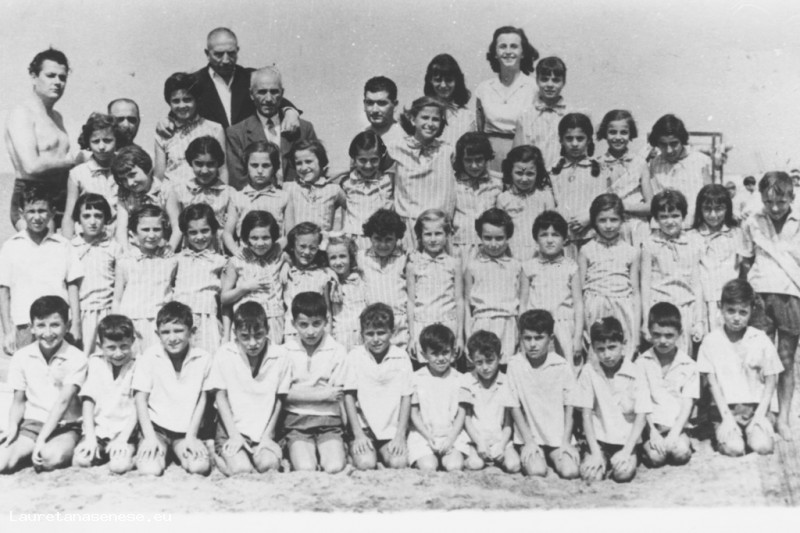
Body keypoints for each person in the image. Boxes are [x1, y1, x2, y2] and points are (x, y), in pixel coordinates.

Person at [739, 171, 800, 440]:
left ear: (792, 198)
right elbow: (745, 260)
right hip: (760, 296)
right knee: (758, 358)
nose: (774, 208)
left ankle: (783, 418)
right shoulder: (752, 221)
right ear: (761, 198)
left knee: (786, 360)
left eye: (781, 202)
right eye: (768, 202)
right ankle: (759, 415)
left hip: (791, 295)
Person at [0, 296, 86, 474]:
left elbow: (62, 402)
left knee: (49, 458)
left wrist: (42, 439)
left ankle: (49, 447)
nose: (48, 333)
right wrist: (13, 427)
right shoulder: (22, 356)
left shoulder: (77, 357)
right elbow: (18, 401)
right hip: (33, 424)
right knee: (2, 462)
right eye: (40, 325)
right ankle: (27, 450)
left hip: (65, 425)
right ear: (31, 327)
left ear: (67, 326)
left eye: (55, 325)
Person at [698, 279, 781, 455]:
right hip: (725, 409)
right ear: (721, 307)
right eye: (731, 311)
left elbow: (771, 381)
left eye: (743, 312)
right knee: (734, 448)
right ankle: (729, 434)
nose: (736, 318)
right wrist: (727, 419)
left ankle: (755, 431)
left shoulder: (760, 339)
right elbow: (713, 385)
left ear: (752, 311)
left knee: (763, 447)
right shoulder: (711, 341)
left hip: (755, 408)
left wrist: (759, 416)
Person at [132, 301, 213, 476]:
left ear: (191, 331)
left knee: (198, 467)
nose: (172, 338)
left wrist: (192, 436)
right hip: (156, 429)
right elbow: (140, 399)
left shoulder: (203, 359)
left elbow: (202, 399)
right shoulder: (150, 356)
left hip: (185, 431)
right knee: (150, 469)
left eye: (178, 330)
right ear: (157, 334)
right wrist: (149, 437)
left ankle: (183, 449)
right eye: (166, 332)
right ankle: (154, 450)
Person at [0, 185, 83, 355]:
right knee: (28, 368)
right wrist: (7, 331)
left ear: (52, 213)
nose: (37, 217)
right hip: (25, 325)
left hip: (58, 323)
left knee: (60, 367)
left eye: (42, 211)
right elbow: (4, 291)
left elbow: (73, 286)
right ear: (22, 213)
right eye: (31, 211)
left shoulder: (63, 245)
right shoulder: (11, 246)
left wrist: (75, 324)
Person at [208, 302, 290, 475]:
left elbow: (279, 399)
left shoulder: (280, 355)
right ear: (235, 333)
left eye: (258, 335)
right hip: (232, 427)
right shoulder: (225, 353)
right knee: (241, 469)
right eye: (245, 336)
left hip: (263, 428)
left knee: (268, 465)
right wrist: (234, 435)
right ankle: (216, 454)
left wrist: (268, 436)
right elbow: (220, 397)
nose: (253, 343)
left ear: (267, 330)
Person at [5, 48, 80, 229]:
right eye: (50, 75)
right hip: (32, 198)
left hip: (61, 197)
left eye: (62, 78)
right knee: (42, 246)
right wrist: (73, 161)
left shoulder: (57, 117)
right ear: (33, 77)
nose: (57, 82)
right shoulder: (22, 113)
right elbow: (31, 166)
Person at [573, 317, 651, 483]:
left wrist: (626, 451)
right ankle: (598, 456)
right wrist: (595, 452)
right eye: (600, 349)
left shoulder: (635, 371)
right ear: (593, 348)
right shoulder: (589, 371)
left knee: (623, 474)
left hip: (626, 440)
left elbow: (641, 417)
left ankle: (633, 454)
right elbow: (586, 415)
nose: (607, 355)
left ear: (623, 344)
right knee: (591, 476)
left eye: (612, 347)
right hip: (599, 439)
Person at [506, 310, 580, 478]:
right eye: (527, 338)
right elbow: (513, 406)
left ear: (551, 339)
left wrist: (566, 441)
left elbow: (570, 406)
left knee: (570, 471)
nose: (532, 344)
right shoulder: (515, 364)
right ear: (521, 338)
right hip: (529, 436)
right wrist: (529, 442)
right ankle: (534, 454)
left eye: (539, 338)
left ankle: (552, 455)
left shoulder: (561, 365)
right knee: (537, 471)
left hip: (557, 437)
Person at [281, 292, 348, 473]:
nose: (310, 331)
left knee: (334, 467)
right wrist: (323, 394)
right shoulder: (285, 351)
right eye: (303, 325)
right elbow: (283, 393)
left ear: (326, 321)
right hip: (296, 421)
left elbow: (337, 394)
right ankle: (291, 450)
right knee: (306, 468)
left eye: (316, 324)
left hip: (329, 421)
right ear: (293, 323)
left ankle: (339, 447)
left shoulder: (337, 350)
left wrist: (298, 393)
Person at [341, 303, 413, 470]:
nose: (375, 339)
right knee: (366, 463)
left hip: (391, 430)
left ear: (392, 332)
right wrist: (358, 435)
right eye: (370, 334)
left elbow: (406, 397)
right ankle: (352, 449)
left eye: (381, 333)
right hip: (364, 428)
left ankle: (380, 452)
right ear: (362, 335)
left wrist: (400, 436)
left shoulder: (401, 357)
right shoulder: (355, 356)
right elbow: (348, 396)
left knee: (398, 463)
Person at [191, 27, 300, 130]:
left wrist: (290, 112)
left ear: (237, 50)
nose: (226, 60)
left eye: (231, 53)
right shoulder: (193, 82)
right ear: (207, 53)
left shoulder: (250, 76)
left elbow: (275, 98)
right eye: (219, 54)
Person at [226, 67, 317, 189]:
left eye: (274, 92)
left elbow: (314, 170)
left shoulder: (304, 129)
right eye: (262, 92)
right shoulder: (236, 133)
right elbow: (238, 180)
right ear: (251, 94)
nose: (268, 99)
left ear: (282, 93)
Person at [386, 96, 456, 251]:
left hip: (438, 227)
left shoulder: (447, 151)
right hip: (408, 226)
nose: (430, 124)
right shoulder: (396, 148)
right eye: (425, 117)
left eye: (435, 119)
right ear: (412, 119)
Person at [641, 190, 704, 357]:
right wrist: (646, 320)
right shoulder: (650, 244)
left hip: (685, 308)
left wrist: (699, 320)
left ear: (683, 216)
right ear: (656, 219)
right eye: (663, 217)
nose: (670, 221)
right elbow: (645, 284)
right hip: (659, 308)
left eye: (675, 216)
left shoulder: (692, 242)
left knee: (683, 356)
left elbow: (696, 283)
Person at [73, 315, 139, 474]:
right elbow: (88, 402)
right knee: (80, 461)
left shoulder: (138, 364)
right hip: (99, 431)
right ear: (100, 345)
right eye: (111, 348)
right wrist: (90, 437)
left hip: (125, 432)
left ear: (133, 341)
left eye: (124, 346)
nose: (118, 353)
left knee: (119, 466)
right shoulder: (95, 362)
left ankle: (133, 456)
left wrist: (122, 439)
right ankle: (103, 451)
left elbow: (139, 405)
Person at [579, 194, 641, 357]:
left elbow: (635, 292)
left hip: (623, 308)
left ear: (622, 220)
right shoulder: (586, 250)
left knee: (623, 354)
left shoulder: (631, 251)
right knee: (598, 355)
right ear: (594, 221)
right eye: (602, 220)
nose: (608, 225)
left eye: (613, 220)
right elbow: (579, 291)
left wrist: (636, 334)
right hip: (595, 307)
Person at [637, 303, 697, 467]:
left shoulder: (688, 365)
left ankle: (683, 440)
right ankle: (645, 447)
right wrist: (652, 432)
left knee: (680, 453)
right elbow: (642, 401)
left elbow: (687, 403)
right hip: (652, 427)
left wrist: (675, 433)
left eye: (669, 335)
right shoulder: (642, 363)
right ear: (649, 332)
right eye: (657, 335)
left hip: (677, 426)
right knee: (656, 458)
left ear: (680, 334)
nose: (662, 341)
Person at [464, 208, 528, 363]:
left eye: (499, 238)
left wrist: (521, 335)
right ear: (480, 236)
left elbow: (522, 305)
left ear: (508, 237)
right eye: (487, 238)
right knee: (483, 366)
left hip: (508, 324)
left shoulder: (516, 266)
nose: (493, 244)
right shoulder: (472, 266)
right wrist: (468, 336)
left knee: (506, 367)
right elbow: (466, 305)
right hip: (481, 323)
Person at [112, 205, 178, 350]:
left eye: (157, 229)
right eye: (145, 229)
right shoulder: (125, 261)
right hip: (130, 323)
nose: (151, 235)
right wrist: (116, 324)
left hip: (160, 324)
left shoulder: (170, 261)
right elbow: (117, 298)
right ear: (133, 233)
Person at [523, 211, 583, 368]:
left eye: (555, 235)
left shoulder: (571, 267)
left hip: (564, 328)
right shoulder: (528, 267)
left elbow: (578, 304)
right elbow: (523, 304)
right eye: (544, 235)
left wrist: (577, 337)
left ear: (564, 239)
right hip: (537, 330)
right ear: (536, 238)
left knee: (565, 369)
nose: (549, 240)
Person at [475, 26, 539, 172]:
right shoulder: (483, 89)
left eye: (514, 46)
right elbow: (480, 130)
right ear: (495, 53)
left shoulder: (534, 88)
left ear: (523, 53)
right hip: (490, 159)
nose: (508, 51)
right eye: (503, 46)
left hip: (523, 159)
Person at [408, 324, 470, 472]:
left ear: (453, 352)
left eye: (445, 352)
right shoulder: (416, 378)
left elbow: (461, 414)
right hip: (424, 435)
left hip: (452, 435)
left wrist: (450, 439)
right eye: (435, 354)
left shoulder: (460, 379)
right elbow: (414, 413)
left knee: (454, 466)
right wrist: (428, 437)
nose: (441, 358)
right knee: (428, 466)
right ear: (424, 355)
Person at [460, 330, 520, 473]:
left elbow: (508, 423)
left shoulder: (507, 381)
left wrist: (502, 445)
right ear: (471, 359)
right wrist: (479, 442)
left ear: (500, 357)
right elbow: (467, 419)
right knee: (475, 464)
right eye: (479, 362)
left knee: (513, 465)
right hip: (475, 439)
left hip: (500, 439)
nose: (485, 367)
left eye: (490, 361)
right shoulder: (467, 380)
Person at [407, 209, 464, 359]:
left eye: (438, 233)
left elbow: (459, 300)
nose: (433, 239)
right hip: (422, 325)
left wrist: (460, 337)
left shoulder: (454, 263)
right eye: (428, 234)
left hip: (448, 324)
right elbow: (411, 302)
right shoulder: (413, 265)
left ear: (447, 235)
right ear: (420, 236)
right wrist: (412, 337)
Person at [69, 194, 122, 355]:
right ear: (78, 219)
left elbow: (119, 284)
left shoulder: (114, 247)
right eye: (86, 216)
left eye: (98, 216)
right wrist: (75, 322)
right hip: (79, 313)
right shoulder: (71, 247)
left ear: (106, 218)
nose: (92, 221)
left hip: (106, 313)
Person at [221, 211, 285, 343]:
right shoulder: (237, 261)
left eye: (265, 237)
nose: (260, 243)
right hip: (246, 324)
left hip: (273, 322)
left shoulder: (278, 256)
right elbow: (224, 298)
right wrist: (244, 288)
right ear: (246, 238)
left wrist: (287, 266)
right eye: (254, 238)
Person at [154, 72, 228, 185]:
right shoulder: (164, 131)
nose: (182, 106)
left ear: (196, 100)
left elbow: (222, 170)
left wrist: (224, 194)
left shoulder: (214, 129)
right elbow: (159, 176)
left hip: (206, 193)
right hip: (172, 193)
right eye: (176, 101)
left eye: (187, 99)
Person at [165, 136, 235, 251]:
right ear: (190, 162)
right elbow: (177, 229)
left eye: (210, 164)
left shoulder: (229, 194)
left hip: (218, 252)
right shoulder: (178, 191)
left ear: (218, 163)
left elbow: (228, 233)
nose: (204, 170)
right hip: (188, 251)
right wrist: (169, 251)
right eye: (199, 164)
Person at [173, 204, 226, 354]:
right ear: (185, 234)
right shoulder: (177, 259)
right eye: (193, 232)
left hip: (207, 319)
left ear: (213, 230)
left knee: (208, 358)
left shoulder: (220, 261)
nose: (199, 237)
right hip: (179, 320)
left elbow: (224, 298)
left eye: (205, 230)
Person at [690, 184, 742, 333]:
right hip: (704, 304)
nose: (713, 215)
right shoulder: (692, 236)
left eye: (719, 209)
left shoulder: (737, 234)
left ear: (727, 209)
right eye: (707, 209)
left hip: (732, 302)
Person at [595, 110, 652, 246]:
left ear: (631, 133)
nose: (618, 137)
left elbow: (651, 205)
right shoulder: (597, 163)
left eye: (624, 132)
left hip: (636, 227)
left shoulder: (640, 163)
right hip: (609, 228)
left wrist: (625, 207)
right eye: (612, 132)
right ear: (604, 133)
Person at [549, 113, 605, 251]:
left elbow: (603, 202)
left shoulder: (599, 170)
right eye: (569, 138)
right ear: (561, 140)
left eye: (580, 138)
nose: (574, 144)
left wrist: (589, 217)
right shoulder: (553, 171)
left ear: (589, 140)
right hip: (563, 238)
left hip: (592, 237)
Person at [222, 141, 288, 255]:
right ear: (246, 166)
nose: (260, 171)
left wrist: (276, 250)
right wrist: (236, 252)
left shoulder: (283, 197)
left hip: (274, 256)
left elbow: (290, 233)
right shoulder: (237, 197)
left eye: (266, 165)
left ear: (274, 167)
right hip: (246, 257)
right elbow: (227, 233)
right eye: (254, 165)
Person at [648, 114, 712, 228]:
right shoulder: (653, 164)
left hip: (694, 228)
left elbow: (709, 197)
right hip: (664, 229)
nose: (669, 150)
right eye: (663, 144)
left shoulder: (700, 161)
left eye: (674, 144)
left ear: (682, 140)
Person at [61, 113, 119, 239]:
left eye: (107, 140)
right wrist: (67, 245)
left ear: (117, 140)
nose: (102, 147)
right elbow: (69, 216)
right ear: (88, 142)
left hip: (119, 238)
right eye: (95, 141)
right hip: (88, 239)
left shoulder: (125, 170)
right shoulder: (78, 174)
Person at [358, 209, 410, 349]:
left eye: (388, 239)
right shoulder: (361, 257)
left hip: (399, 326)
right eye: (377, 239)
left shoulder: (405, 258)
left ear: (397, 238)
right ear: (370, 237)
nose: (382, 245)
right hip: (372, 326)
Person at [496, 144, 556, 260]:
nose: (524, 179)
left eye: (530, 174)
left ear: (538, 173)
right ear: (510, 172)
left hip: (540, 253)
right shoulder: (503, 198)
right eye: (519, 173)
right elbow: (501, 230)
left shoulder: (545, 197)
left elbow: (552, 227)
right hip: (512, 253)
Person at [512, 57, 572, 170]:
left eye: (556, 80)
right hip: (533, 176)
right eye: (544, 79)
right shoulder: (525, 116)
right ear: (537, 80)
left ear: (564, 82)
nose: (550, 84)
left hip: (563, 175)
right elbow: (517, 154)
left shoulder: (571, 115)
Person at [280, 223, 336, 343]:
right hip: (292, 333)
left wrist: (328, 338)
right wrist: (286, 264)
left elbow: (327, 311)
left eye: (312, 248)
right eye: (302, 246)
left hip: (317, 334)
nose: (307, 252)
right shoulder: (286, 273)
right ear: (292, 246)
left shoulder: (322, 275)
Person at [451, 132, 502, 263]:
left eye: (479, 160)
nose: (474, 166)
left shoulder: (497, 183)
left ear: (487, 158)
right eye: (468, 160)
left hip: (489, 247)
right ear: (461, 160)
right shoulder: (453, 183)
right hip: (459, 247)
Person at [340, 131, 394, 252]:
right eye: (362, 160)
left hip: (382, 241)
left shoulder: (389, 181)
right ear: (354, 159)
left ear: (381, 158)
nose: (368, 166)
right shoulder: (346, 182)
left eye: (374, 160)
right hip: (354, 242)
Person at [284, 140, 346, 234]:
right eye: (299, 163)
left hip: (323, 242)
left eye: (308, 161)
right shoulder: (289, 188)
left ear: (321, 161)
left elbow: (352, 207)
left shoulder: (333, 189)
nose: (304, 168)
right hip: (296, 241)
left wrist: (343, 231)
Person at [111, 146, 167, 248]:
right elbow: (122, 228)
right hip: (136, 246)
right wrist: (126, 252)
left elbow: (176, 227)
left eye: (132, 175)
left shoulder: (164, 190)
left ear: (146, 168)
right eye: (123, 179)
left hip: (162, 245)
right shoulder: (125, 194)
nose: (130, 183)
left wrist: (169, 249)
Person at [423, 54, 475, 147]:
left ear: (457, 81)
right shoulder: (421, 113)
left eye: (448, 80)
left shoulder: (468, 117)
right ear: (430, 81)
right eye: (438, 80)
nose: (443, 85)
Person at [327, 235, 367, 351]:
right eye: (333, 258)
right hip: (339, 338)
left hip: (361, 337)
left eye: (343, 256)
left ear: (351, 257)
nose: (338, 262)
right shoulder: (329, 283)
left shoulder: (360, 279)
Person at [363, 76, 404, 145]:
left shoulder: (406, 139)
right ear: (364, 105)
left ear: (395, 105)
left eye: (381, 103)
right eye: (370, 103)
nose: (375, 110)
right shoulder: (362, 138)